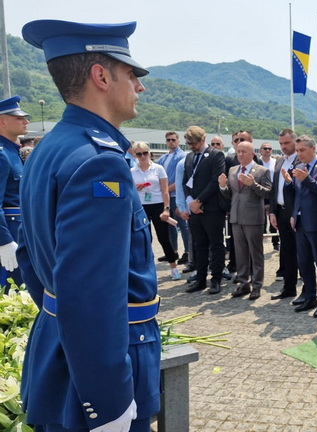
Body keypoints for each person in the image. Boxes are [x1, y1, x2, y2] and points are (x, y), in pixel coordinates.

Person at [18, 19, 160, 431]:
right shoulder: (100, 162)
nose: (140, 86)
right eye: (132, 74)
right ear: (101, 75)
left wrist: (60, 316)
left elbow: (32, 258)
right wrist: (108, 402)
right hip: (96, 382)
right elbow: (92, 294)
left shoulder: (51, 147)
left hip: (60, 354)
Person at [285, 135, 317, 317]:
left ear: (313, 148)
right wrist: (289, 185)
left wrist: (307, 179)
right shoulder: (298, 167)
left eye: (302, 150)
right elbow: (298, 194)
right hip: (300, 222)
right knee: (304, 263)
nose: (299, 154)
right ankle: (310, 296)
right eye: (297, 151)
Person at [218, 140, 271, 300]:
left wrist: (253, 184)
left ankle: (257, 285)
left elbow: (268, 193)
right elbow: (231, 194)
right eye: (238, 152)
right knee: (240, 253)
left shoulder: (261, 171)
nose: (240, 154)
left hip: (253, 218)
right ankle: (243, 283)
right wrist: (222, 187)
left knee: (256, 254)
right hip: (236, 217)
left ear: (252, 153)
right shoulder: (233, 170)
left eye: (243, 152)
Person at [181, 125, 226, 295]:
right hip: (194, 209)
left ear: (202, 140)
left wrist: (199, 201)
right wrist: (190, 201)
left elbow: (215, 181)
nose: (191, 146)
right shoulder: (189, 157)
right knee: (199, 245)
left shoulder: (216, 155)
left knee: (215, 245)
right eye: (188, 143)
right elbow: (185, 181)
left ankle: (216, 279)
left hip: (212, 208)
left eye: (193, 143)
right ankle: (200, 279)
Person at [131, 141, 181, 280]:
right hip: (141, 207)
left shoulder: (158, 168)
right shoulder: (132, 171)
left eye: (145, 153)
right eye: (139, 154)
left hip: (158, 204)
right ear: (135, 155)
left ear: (149, 153)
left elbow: (165, 191)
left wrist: (166, 209)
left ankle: (174, 268)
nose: (142, 156)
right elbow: (130, 191)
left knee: (164, 238)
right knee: (145, 239)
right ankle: (148, 268)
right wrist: (136, 188)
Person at [0, 96, 30, 289]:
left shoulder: (12, 152)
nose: (26, 121)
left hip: (20, 231)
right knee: (10, 292)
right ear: (2, 121)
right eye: (19, 118)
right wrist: (4, 241)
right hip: (9, 234)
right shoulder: (2, 154)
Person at [269, 129, 300, 300]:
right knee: (286, 252)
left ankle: (307, 291)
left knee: (301, 252)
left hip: (294, 213)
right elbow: (274, 189)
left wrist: (295, 212)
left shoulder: (300, 161)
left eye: (287, 143)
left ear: (295, 141)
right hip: (280, 212)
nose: (283, 147)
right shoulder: (279, 162)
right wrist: (273, 211)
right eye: (281, 143)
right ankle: (289, 288)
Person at [157, 131, 189, 266]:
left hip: (176, 195)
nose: (171, 142)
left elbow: (181, 179)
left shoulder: (183, 157)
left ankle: (188, 252)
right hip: (166, 197)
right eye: (168, 140)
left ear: (178, 141)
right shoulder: (162, 159)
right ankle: (173, 251)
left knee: (183, 224)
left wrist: (166, 189)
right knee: (170, 225)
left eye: (173, 140)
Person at [259, 141, 279, 251]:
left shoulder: (275, 162)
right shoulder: (257, 162)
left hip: (272, 192)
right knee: (262, 219)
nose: (267, 150)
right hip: (261, 192)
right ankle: (261, 242)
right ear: (261, 150)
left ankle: (275, 243)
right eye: (265, 148)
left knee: (273, 216)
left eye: (269, 148)